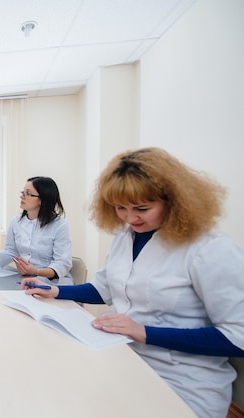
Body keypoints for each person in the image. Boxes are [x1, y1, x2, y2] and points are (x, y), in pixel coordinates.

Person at [21, 147, 244, 418]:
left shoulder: (209, 248)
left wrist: (144, 331)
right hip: (124, 358)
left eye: (142, 208)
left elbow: (238, 336)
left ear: (174, 200)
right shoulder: (128, 236)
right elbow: (103, 288)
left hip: (183, 382)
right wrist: (54, 290)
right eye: (120, 208)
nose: (130, 217)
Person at [0, 176, 73, 285]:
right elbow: (11, 251)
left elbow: (62, 264)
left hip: (52, 284)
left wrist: (36, 271)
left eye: (28, 193)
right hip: (24, 280)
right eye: (23, 192)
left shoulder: (60, 226)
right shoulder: (16, 221)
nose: (22, 196)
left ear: (43, 199)